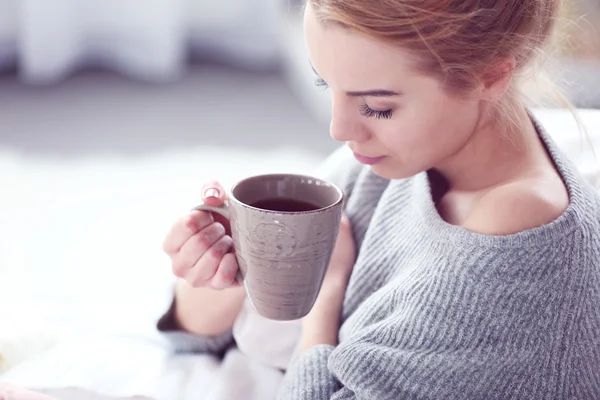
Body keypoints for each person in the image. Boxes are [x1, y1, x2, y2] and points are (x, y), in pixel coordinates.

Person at [160, 0, 600, 398]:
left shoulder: (516, 230)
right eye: (325, 84)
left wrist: (325, 298)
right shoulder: (398, 160)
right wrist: (222, 266)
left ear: (491, 76)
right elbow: (195, 336)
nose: (339, 128)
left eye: (376, 106)